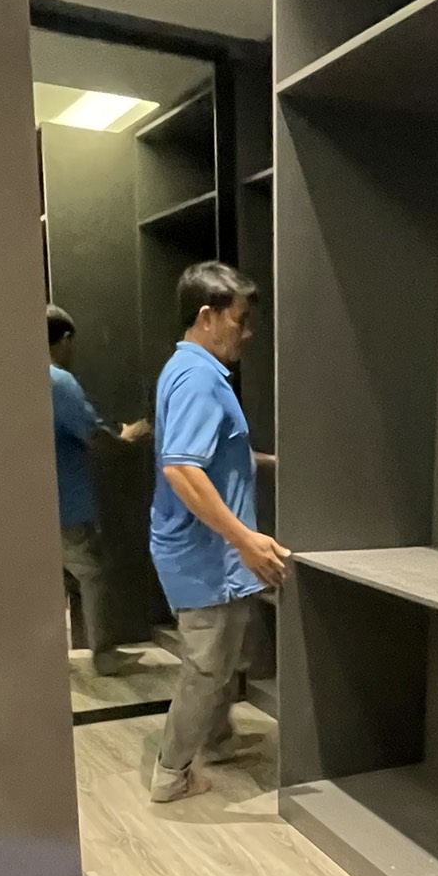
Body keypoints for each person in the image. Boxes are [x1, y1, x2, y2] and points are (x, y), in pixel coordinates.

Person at [147, 260, 287, 804]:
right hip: (203, 555)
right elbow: (183, 468)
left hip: (206, 552)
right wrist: (245, 540)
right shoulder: (200, 379)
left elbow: (213, 454)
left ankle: (218, 737)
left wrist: (267, 463)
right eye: (240, 319)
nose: (247, 333)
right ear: (207, 316)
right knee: (206, 670)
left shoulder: (187, 369)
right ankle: (171, 773)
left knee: (226, 654)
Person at [47, 305, 147, 676]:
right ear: (65, 339)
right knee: (92, 573)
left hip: (41, 503)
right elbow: (93, 434)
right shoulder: (58, 382)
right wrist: (126, 437)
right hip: (67, 505)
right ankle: (104, 654)